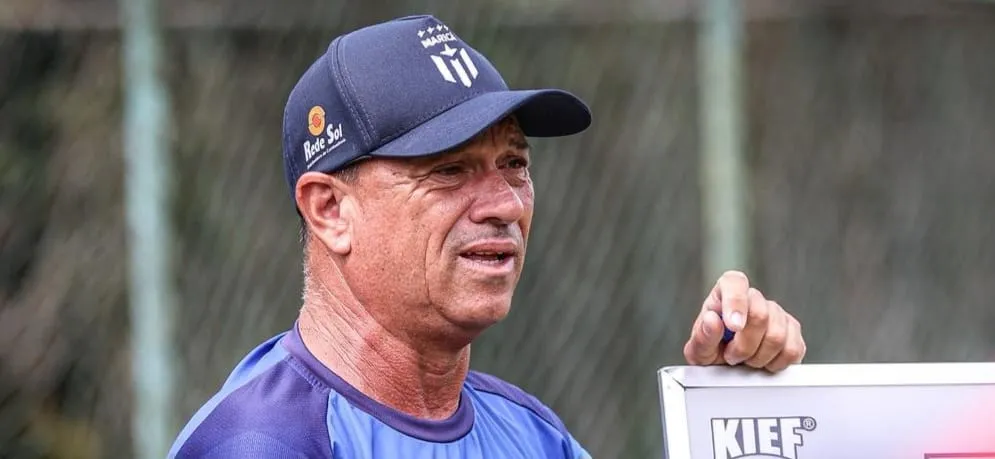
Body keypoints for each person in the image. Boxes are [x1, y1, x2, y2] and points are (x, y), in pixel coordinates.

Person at [167, 14, 806, 459]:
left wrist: (724, 412)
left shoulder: (532, 436)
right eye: (448, 170)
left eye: (515, 165)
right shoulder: (262, 441)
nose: (503, 204)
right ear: (331, 210)